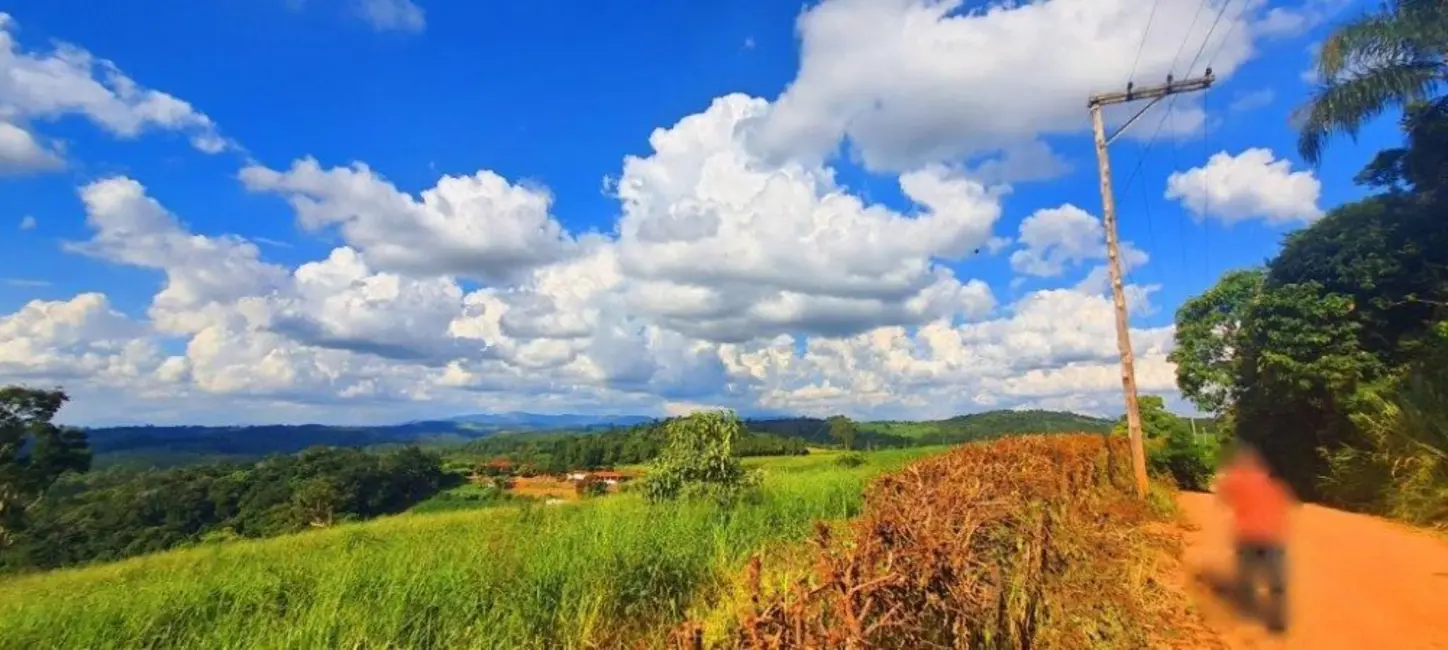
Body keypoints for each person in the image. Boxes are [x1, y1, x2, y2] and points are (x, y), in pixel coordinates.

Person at [1213, 443, 1294, 635]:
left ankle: (1247, 611)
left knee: (1247, 576)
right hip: (1273, 536)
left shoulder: (1235, 480)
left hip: (1247, 536)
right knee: (1277, 581)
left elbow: (1223, 496)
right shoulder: (1272, 482)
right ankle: (1277, 621)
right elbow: (1284, 504)